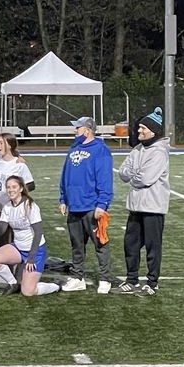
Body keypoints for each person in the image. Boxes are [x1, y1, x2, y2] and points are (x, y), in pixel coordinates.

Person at [114, 108, 171, 296]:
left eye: (142, 129)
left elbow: (144, 179)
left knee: (153, 247)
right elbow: (123, 172)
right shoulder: (138, 149)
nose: (139, 132)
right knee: (131, 244)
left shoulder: (159, 152)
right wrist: (134, 174)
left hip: (153, 206)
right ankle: (131, 280)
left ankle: (152, 283)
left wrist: (133, 175)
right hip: (135, 205)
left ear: (153, 131)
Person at [57, 116, 115, 294]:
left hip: (92, 206)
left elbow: (105, 178)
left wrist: (102, 203)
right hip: (74, 205)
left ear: (88, 130)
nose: (75, 131)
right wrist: (63, 198)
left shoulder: (101, 150)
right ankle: (77, 277)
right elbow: (65, 175)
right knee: (76, 245)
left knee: (100, 244)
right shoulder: (73, 148)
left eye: (78, 128)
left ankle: (105, 278)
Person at [0, 176, 61, 297]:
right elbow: (1, 231)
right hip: (18, 247)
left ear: (21, 188)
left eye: (14, 187)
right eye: (8, 187)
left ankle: (55, 286)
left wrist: (31, 258)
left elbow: (38, 233)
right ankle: (12, 283)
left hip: (35, 250)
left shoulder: (30, 205)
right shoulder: (7, 207)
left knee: (28, 292)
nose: (10, 190)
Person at [0, 134, 34, 208]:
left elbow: (31, 185)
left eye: (1, 143)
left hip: (12, 206)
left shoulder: (19, 165)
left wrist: (14, 191)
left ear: (10, 145)